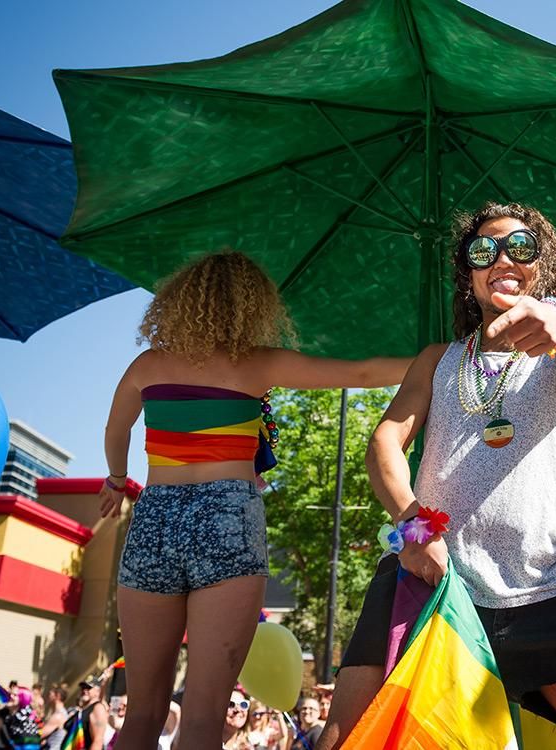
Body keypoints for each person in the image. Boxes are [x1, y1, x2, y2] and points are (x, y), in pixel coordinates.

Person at [319, 202, 556, 750]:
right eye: (484, 251)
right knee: (345, 742)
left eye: (520, 247)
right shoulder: (436, 360)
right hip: (432, 586)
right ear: (469, 274)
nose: (502, 259)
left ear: (542, 265)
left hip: (555, 593)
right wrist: (412, 527)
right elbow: (384, 443)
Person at [97, 251, 413, 750]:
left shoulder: (148, 365)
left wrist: (117, 480)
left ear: (180, 302)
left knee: (142, 715)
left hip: (155, 518)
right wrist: (442, 356)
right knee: (203, 720)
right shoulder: (258, 363)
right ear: (252, 306)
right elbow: (366, 372)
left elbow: (116, 431)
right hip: (227, 516)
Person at [61, 679, 108, 750]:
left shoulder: (98, 708)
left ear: (98, 691)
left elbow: (98, 741)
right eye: (83, 687)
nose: (84, 690)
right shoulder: (81, 711)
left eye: (89, 688)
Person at [38, 686, 68, 750]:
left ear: (58, 696)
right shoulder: (62, 713)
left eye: (50, 694)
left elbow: (40, 735)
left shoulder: (58, 716)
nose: (48, 697)